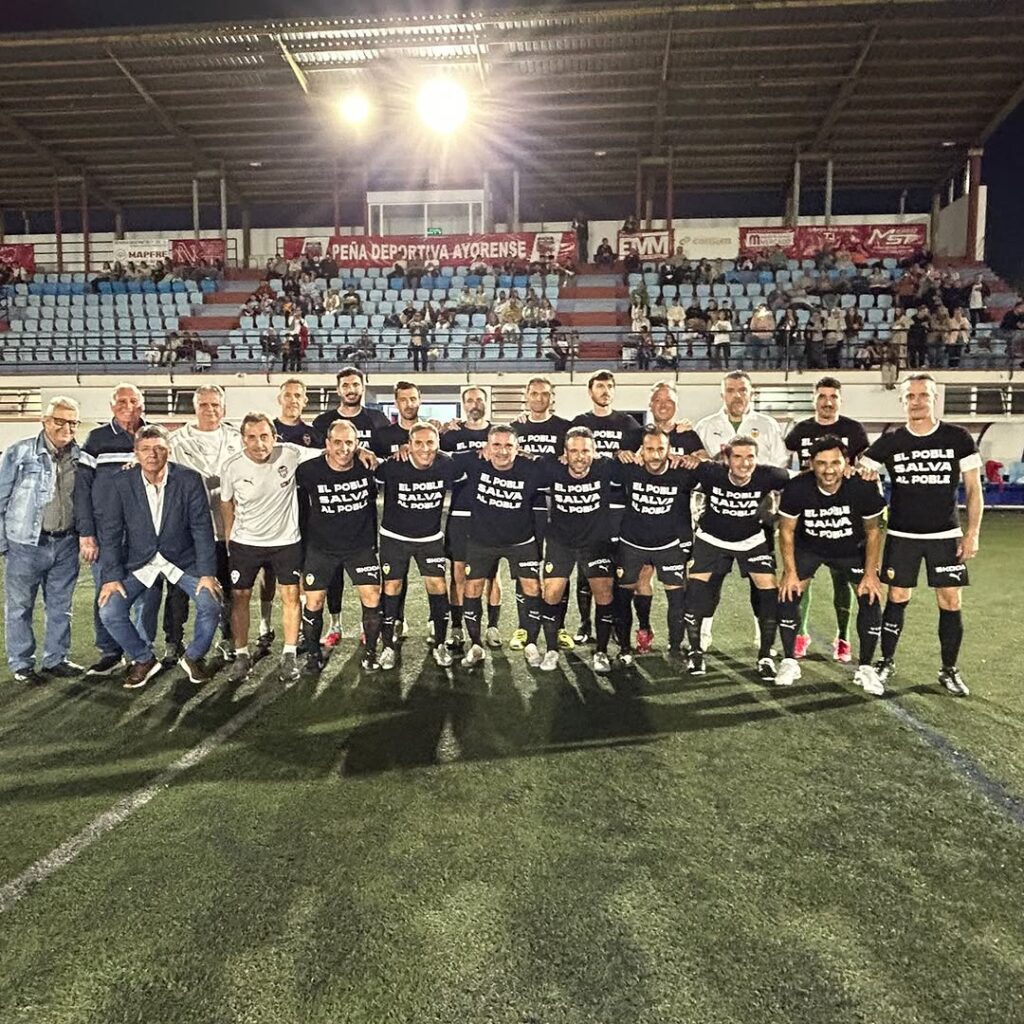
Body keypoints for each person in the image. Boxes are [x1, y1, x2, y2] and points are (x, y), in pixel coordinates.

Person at [858, 373, 983, 696]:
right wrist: (869, 476)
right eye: (910, 396)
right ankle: (886, 661)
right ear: (903, 401)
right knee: (897, 597)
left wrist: (972, 533)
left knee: (950, 599)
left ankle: (949, 670)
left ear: (934, 398)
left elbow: (973, 489)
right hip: (902, 534)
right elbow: (863, 468)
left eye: (923, 395)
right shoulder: (892, 441)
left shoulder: (958, 437)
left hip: (946, 534)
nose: (917, 401)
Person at [96, 426, 223, 689]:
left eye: (159, 448)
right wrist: (111, 577)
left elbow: (202, 528)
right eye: (145, 449)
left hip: (182, 559)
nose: (152, 454)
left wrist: (207, 574)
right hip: (141, 561)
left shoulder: (189, 479)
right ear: (136, 453)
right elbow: (111, 533)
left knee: (210, 603)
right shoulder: (121, 483)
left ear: (169, 451)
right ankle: (143, 659)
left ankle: (194, 656)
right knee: (110, 610)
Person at [219, 413, 325, 683]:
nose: (259, 443)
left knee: (290, 595)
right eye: (252, 437)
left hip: (286, 542)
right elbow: (226, 501)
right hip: (246, 543)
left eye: (264, 436)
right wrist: (230, 534)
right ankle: (241, 655)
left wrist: (360, 450)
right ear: (243, 439)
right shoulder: (231, 466)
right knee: (240, 596)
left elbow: (329, 452)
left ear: (274, 437)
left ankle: (289, 654)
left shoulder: (290, 453)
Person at [776, 437, 887, 693]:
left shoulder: (861, 486)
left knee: (870, 596)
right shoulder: (797, 487)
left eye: (835, 463)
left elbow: (873, 531)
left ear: (846, 462)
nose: (828, 470)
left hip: (850, 549)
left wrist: (871, 573)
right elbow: (787, 530)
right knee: (788, 594)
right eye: (821, 463)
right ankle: (789, 661)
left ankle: (866, 668)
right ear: (810, 464)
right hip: (810, 547)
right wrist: (790, 572)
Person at [74, 382, 162, 677]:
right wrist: (86, 533)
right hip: (106, 533)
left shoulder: (155, 435)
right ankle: (109, 652)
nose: (128, 407)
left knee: (149, 593)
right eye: (121, 402)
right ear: (112, 406)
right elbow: (82, 489)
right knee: (106, 590)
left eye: (134, 401)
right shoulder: (97, 438)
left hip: (147, 534)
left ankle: (142, 652)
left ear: (142, 405)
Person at [683, 436, 789, 678]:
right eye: (738, 457)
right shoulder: (711, 472)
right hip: (712, 539)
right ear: (727, 459)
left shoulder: (769, 475)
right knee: (697, 591)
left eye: (750, 457)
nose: (744, 463)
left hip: (751, 540)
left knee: (768, 592)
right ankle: (696, 652)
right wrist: (684, 458)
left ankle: (765, 655)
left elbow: (802, 478)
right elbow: (677, 465)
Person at [784, 377, 870, 662]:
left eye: (833, 396)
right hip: (808, 513)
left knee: (842, 580)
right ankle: (801, 634)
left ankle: (843, 637)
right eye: (822, 396)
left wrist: (859, 473)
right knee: (802, 578)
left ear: (840, 400)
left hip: (844, 516)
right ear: (814, 399)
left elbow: (866, 464)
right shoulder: (801, 430)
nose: (827, 401)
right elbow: (785, 460)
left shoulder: (853, 430)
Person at [0, 396, 85, 684]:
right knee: (20, 607)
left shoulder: (81, 457)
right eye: (59, 421)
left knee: (61, 607)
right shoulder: (19, 452)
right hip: (26, 544)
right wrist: (4, 545)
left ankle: (55, 659)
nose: (66, 427)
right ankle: (21, 663)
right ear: (45, 421)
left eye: (72, 422)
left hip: (66, 542)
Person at [296, 420, 384, 673]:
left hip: (360, 546)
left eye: (349, 443)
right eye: (337, 442)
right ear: (327, 444)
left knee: (372, 596)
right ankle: (314, 655)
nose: (343, 448)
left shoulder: (368, 467)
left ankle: (370, 653)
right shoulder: (308, 470)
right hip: (321, 548)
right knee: (314, 601)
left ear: (357, 445)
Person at [458, 426, 548, 669]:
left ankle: (531, 643)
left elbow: (561, 465)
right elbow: (439, 456)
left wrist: (534, 456)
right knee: (472, 587)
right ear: (486, 447)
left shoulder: (531, 468)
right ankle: (476, 645)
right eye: (496, 445)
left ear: (518, 449)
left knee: (532, 587)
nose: (502, 451)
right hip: (481, 540)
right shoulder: (474, 462)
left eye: (509, 445)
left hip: (521, 541)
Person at [311, 367, 389, 645]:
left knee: (366, 574)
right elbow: (319, 456)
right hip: (329, 508)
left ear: (362, 387)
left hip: (363, 508)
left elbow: (385, 458)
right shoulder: (323, 421)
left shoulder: (377, 420)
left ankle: (368, 626)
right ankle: (335, 624)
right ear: (338, 389)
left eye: (356, 384)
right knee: (332, 575)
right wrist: (355, 449)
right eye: (346, 385)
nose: (351, 390)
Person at [166, 384, 244, 664]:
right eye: (203, 404)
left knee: (228, 587)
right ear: (194, 407)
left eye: (215, 404)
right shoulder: (175, 440)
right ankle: (173, 641)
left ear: (224, 408)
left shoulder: (237, 438)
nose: (209, 409)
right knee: (178, 590)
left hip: (227, 530)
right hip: (186, 532)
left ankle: (227, 638)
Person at [375, 422, 459, 669]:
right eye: (418, 443)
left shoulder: (447, 464)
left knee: (438, 586)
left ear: (438, 444)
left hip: (429, 538)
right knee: (392, 586)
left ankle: (440, 643)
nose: (425, 448)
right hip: (394, 537)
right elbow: (369, 467)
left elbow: (474, 459)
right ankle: (388, 646)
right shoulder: (393, 465)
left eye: (430, 442)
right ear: (408, 445)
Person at [569, 370, 644, 644]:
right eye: (600, 386)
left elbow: (650, 447)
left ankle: (611, 622)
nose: (605, 391)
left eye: (609, 386)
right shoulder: (580, 422)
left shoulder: (628, 423)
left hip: (618, 505)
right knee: (584, 570)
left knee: (615, 570)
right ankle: (584, 623)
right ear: (590, 391)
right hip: (585, 503)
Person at [536, 427, 618, 673]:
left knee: (604, 594)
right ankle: (551, 649)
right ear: (565, 452)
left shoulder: (606, 467)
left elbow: (643, 464)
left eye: (585, 451)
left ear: (595, 451)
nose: (580, 457)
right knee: (551, 593)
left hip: (595, 542)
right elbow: (521, 460)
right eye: (573, 451)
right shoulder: (552, 467)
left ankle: (601, 651)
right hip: (560, 542)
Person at [611, 426, 695, 662]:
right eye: (649, 449)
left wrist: (695, 458)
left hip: (669, 545)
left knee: (677, 598)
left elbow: (713, 471)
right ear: (642, 450)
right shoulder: (629, 469)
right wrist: (618, 454)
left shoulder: (681, 472)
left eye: (661, 449)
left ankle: (675, 648)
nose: (656, 455)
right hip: (632, 543)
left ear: (670, 449)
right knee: (624, 595)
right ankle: (627, 646)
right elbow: (595, 465)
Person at [511, 377, 572, 651]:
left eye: (544, 394)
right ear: (526, 396)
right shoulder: (515, 428)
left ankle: (559, 627)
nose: (539, 398)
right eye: (534, 393)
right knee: (525, 567)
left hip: (559, 504)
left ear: (552, 397)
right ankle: (525, 627)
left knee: (559, 568)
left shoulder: (565, 428)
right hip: (523, 506)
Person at [441, 387, 503, 651]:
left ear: (486, 403)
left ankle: (492, 627)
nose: (474, 404)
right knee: (458, 573)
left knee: (491, 575)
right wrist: (440, 428)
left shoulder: (498, 434)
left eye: (479, 399)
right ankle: (456, 628)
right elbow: (436, 458)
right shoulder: (452, 435)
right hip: (460, 512)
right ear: (463, 404)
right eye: (469, 400)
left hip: (491, 513)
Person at [273, 378, 322, 448]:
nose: (293, 400)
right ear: (279, 400)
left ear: (304, 401)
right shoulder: (268, 430)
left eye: (297, 396)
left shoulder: (315, 436)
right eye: (287, 395)